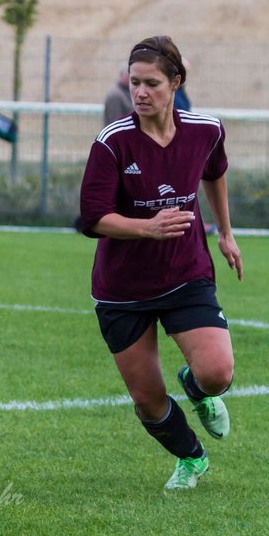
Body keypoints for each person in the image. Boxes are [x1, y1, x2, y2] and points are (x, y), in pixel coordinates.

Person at [78, 35, 243, 491]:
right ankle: (192, 458)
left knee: (217, 373)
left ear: (176, 83)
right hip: (122, 287)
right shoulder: (113, 142)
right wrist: (147, 227)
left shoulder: (206, 130)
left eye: (151, 83)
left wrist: (225, 232)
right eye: (134, 83)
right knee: (148, 401)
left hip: (184, 272)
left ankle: (195, 388)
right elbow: (92, 218)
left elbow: (215, 171)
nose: (140, 93)